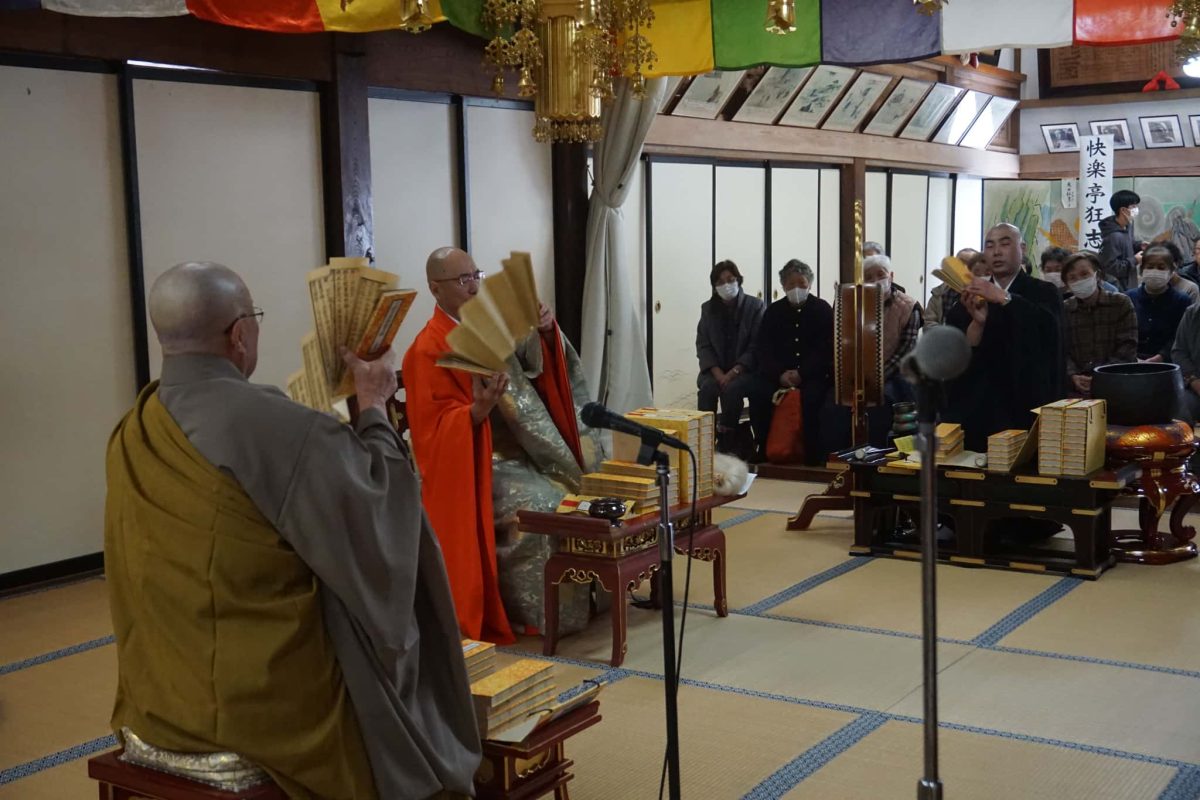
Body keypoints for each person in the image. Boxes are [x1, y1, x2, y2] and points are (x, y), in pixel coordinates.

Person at [106, 262, 478, 800]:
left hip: (157, 698)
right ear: (240, 334)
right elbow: (380, 524)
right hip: (262, 711)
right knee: (368, 641)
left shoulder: (133, 429)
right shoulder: (279, 426)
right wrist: (374, 407)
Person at [403, 247, 515, 645]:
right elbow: (430, 430)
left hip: (485, 452)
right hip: (452, 465)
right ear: (435, 289)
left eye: (476, 276)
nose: (473, 287)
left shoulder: (474, 333)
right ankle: (465, 619)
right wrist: (476, 412)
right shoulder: (426, 349)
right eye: (463, 280)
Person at [944, 224, 1064, 452]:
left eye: (1005, 243)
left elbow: (1048, 333)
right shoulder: (972, 296)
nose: (997, 252)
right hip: (982, 406)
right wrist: (977, 325)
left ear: (1022, 249)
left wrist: (1005, 298)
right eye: (990, 246)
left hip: (1027, 402)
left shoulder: (1044, 291)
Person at [752, 259, 833, 464]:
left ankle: (811, 453)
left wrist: (801, 373)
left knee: (813, 398)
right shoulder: (773, 311)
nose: (796, 288)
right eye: (791, 284)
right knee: (759, 393)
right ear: (783, 286)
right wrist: (779, 373)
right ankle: (764, 446)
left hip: (812, 375)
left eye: (802, 284)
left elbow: (826, 349)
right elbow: (763, 348)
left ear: (810, 284)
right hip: (778, 375)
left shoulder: (822, 309)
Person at [696, 260, 766, 455]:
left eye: (730, 279)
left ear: (738, 280)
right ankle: (705, 440)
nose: (726, 285)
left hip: (746, 370)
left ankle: (728, 440)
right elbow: (703, 345)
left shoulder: (755, 306)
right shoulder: (708, 309)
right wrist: (718, 373)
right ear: (714, 286)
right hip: (715, 370)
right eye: (720, 282)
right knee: (707, 388)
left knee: (732, 389)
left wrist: (735, 371)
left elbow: (756, 345)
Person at [1060, 251, 1138, 398]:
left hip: (1117, 383)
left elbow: (1127, 347)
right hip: (1076, 388)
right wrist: (1073, 375)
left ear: (1098, 275)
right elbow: (1061, 350)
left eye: (1084, 274)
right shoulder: (1064, 309)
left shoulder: (1120, 303)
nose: (1079, 280)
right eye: (1072, 278)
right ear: (1067, 284)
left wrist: (1099, 376)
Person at [1127, 244, 1192, 363]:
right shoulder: (1128, 298)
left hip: (1168, 364)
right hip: (1131, 362)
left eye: (1161, 268)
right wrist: (1133, 358)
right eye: (1150, 267)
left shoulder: (1182, 301)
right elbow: (1123, 334)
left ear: (1171, 271)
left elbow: (1180, 336)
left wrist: (1161, 357)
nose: (1155, 271)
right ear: (1141, 270)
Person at [924, 247, 978, 329]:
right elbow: (929, 322)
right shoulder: (940, 293)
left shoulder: (981, 295)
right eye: (960, 263)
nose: (964, 268)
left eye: (970, 264)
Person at [1099, 189, 1141, 291]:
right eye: (1133, 206)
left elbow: (1127, 247)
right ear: (1123, 210)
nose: (1136, 209)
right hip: (1120, 289)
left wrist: (1139, 246)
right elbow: (1111, 268)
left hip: (1130, 284)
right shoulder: (1112, 236)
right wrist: (1135, 260)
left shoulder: (1127, 227)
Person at [1041, 245, 1119, 297]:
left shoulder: (1109, 292)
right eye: (1048, 270)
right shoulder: (1043, 296)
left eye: (1058, 270)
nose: (1053, 275)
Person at [1171, 298, 1200, 421]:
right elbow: (1179, 352)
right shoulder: (1192, 313)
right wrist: (1195, 382)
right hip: (1195, 384)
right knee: (1181, 412)